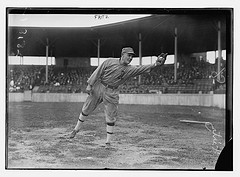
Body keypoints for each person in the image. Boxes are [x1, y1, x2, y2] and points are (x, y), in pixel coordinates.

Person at [69, 47, 168, 147]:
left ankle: (108, 142)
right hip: (100, 86)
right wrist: (90, 84)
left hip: (112, 92)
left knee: (111, 116)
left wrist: (156, 64)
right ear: (122, 54)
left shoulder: (130, 69)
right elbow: (98, 71)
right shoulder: (109, 61)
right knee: (86, 108)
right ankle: (76, 129)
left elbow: (142, 68)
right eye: (129, 55)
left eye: (132, 56)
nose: (130, 58)